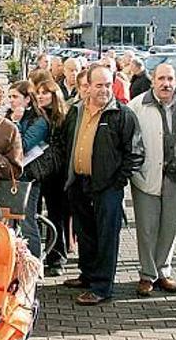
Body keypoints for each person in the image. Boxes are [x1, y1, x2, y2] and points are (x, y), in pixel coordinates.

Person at [60, 65, 144, 305]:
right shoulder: (76, 111)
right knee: (85, 233)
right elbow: (66, 141)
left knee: (107, 237)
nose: (104, 90)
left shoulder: (123, 114)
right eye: (99, 85)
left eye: (108, 85)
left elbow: (135, 153)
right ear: (87, 86)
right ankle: (87, 275)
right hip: (79, 183)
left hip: (107, 187)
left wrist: (117, 181)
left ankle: (102, 287)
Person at [128, 64, 176, 296]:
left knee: (169, 228)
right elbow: (128, 141)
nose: (166, 83)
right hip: (147, 177)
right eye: (161, 78)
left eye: (170, 79)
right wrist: (135, 170)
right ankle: (147, 275)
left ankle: (163, 272)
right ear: (152, 80)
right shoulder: (137, 106)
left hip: (175, 178)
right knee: (147, 229)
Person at [8, 81, 49, 258]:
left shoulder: (39, 121)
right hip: (11, 177)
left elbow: (22, 146)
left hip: (28, 178)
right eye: (10, 97)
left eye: (15, 97)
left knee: (27, 222)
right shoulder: (11, 115)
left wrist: (15, 123)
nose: (11, 101)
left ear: (27, 100)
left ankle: (33, 263)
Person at [35, 80, 71, 276]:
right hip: (37, 173)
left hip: (56, 174)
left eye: (45, 93)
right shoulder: (35, 116)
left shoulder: (63, 118)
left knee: (56, 216)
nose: (40, 96)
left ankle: (57, 257)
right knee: (35, 215)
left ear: (54, 95)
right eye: (38, 92)